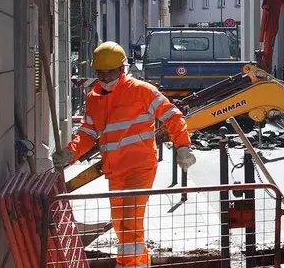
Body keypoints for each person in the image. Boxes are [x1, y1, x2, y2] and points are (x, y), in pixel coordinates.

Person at [52, 41, 196, 267]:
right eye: (101, 72)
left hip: (139, 167)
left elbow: (173, 116)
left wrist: (183, 146)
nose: (106, 77)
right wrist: (70, 153)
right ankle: (139, 264)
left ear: (122, 69)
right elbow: (88, 133)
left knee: (130, 223)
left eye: (111, 72)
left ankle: (126, 265)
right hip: (114, 170)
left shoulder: (142, 91)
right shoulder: (94, 98)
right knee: (122, 224)